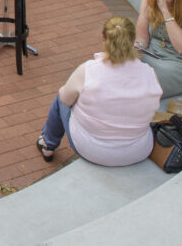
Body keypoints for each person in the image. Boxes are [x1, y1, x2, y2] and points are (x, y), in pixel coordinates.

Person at [36, 16, 162, 166]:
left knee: (62, 96)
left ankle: (48, 144)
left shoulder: (88, 70)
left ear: (103, 38)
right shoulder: (149, 73)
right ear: (133, 40)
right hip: (139, 151)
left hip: (93, 150)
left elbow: (65, 99)